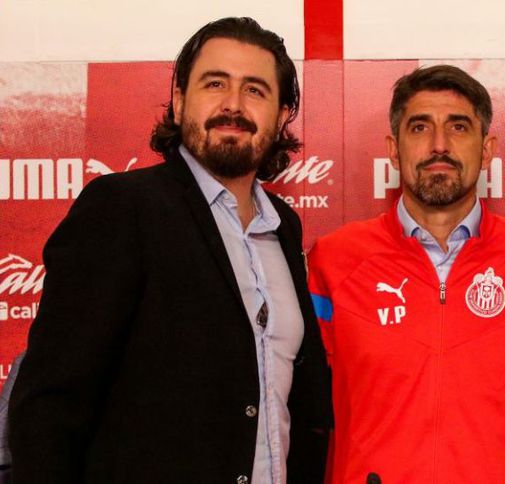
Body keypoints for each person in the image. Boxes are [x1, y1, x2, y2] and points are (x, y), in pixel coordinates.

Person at [9, 17, 331, 483]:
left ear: (281, 116)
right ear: (179, 102)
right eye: (214, 83)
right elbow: (50, 404)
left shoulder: (283, 226)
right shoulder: (122, 208)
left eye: (255, 90)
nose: (233, 104)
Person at [307, 65, 505, 483]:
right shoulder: (333, 262)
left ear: (487, 149)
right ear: (394, 149)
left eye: (458, 127)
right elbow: (295, 405)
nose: (439, 145)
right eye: (420, 128)